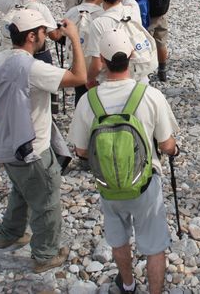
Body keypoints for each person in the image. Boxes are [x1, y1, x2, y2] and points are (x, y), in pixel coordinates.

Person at [67, 28, 179, 294]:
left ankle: (127, 284)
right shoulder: (150, 95)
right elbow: (166, 145)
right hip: (146, 182)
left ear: (102, 61)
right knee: (154, 245)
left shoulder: (88, 101)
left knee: (118, 239)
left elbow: (81, 152)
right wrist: (173, 150)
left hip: (108, 184)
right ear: (131, 55)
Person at [0, 9, 87, 273]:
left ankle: (9, 234)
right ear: (31, 36)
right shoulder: (34, 68)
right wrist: (74, 38)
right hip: (32, 147)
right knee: (46, 199)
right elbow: (79, 78)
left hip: (6, 144)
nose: (46, 37)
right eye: (43, 32)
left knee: (22, 190)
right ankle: (45, 255)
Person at [85, 0, 143, 87]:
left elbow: (97, 65)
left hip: (110, 82)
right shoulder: (133, 8)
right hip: (138, 75)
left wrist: (89, 79)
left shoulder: (98, 23)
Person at [63, 0, 105, 104]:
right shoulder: (103, 14)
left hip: (77, 66)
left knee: (81, 99)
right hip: (99, 69)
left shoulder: (71, 13)